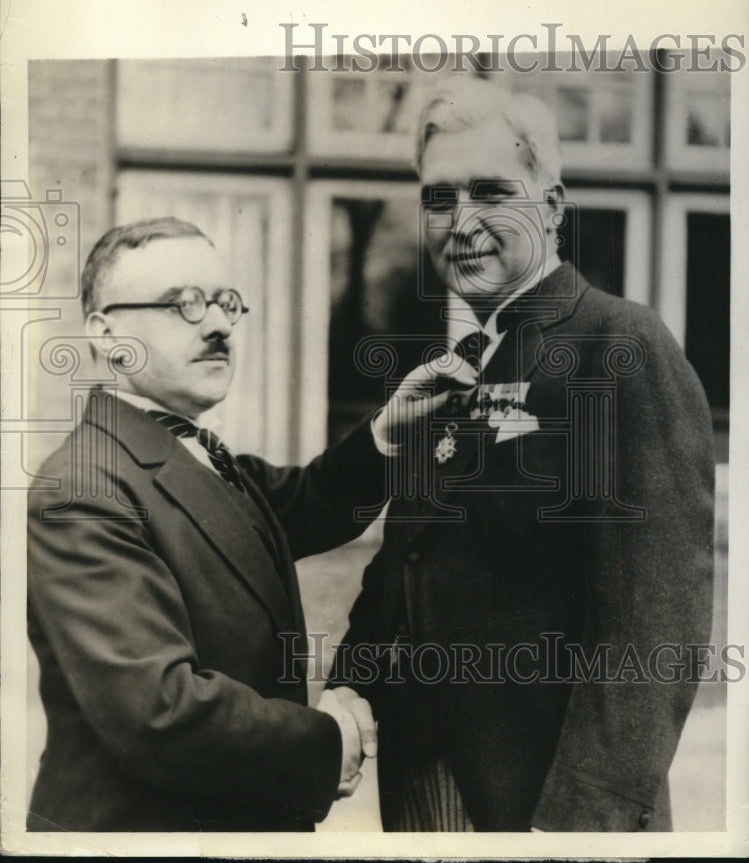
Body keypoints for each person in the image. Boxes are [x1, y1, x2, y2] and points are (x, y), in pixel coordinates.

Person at [329, 79, 715, 832]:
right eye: (438, 198)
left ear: (552, 208)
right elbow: (410, 567)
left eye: (490, 192)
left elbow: (652, 624)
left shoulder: (618, 346)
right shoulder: (456, 363)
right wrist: (343, 698)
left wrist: (578, 821)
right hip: (422, 791)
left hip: (540, 807)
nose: (461, 221)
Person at [26, 216, 471, 833]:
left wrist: (387, 435)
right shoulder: (83, 486)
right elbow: (159, 712)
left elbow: (303, 503)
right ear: (107, 334)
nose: (216, 325)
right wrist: (325, 742)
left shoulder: (190, 451)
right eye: (183, 304)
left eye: (224, 302)